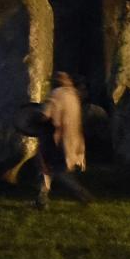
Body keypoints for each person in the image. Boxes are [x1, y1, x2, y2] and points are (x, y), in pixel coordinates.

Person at [34, 71, 89, 207]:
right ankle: (41, 199)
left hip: (56, 139)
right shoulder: (73, 95)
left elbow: (45, 115)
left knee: (54, 169)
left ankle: (80, 192)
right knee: (48, 167)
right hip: (74, 138)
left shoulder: (56, 94)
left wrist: (33, 118)